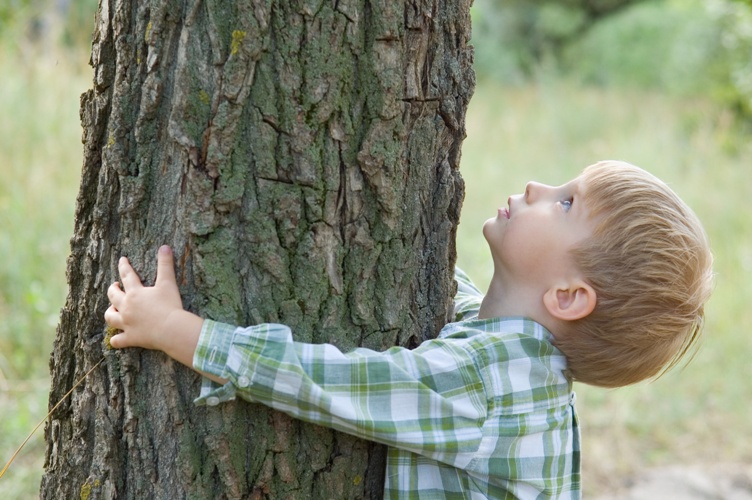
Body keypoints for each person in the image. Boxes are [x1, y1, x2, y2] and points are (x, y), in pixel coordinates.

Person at [104, 160, 713, 498]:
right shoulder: (515, 356)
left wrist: (179, 331)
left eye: (565, 204)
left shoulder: (490, 383)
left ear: (570, 296)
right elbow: (466, 301)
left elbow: (329, 383)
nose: (536, 186)